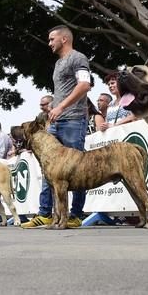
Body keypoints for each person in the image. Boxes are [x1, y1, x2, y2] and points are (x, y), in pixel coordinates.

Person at [22, 25, 91, 229]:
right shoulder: (59, 63)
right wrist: (55, 106)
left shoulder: (78, 58)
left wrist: (60, 106)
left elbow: (85, 85)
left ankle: (75, 215)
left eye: (52, 39)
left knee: (78, 169)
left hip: (74, 120)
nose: (49, 43)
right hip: (57, 121)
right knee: (48, 167)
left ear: (64, 39)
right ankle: (46, 214)